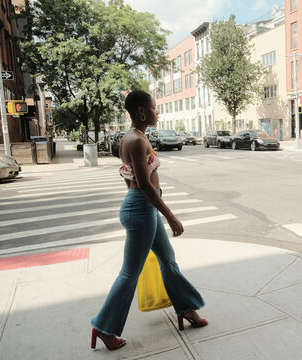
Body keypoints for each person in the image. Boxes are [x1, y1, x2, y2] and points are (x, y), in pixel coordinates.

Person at [90, 90, 207, 351]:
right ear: (142, 112)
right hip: (142, 211)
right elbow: (143, 184)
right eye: (154, 107)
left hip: (142, 210)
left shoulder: (132, 137)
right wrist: (171, 216)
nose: (157, 112)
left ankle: (186, 308)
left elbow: (129, 178)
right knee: (129, 274)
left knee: (168, 261)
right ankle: (104, 327)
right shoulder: (137, 141)